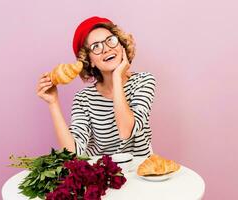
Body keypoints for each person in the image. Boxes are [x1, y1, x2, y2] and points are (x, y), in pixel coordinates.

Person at [36, 16, 156, 157]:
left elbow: (125, 131)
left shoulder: (143, 82)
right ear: (90, 60)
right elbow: (72, 153)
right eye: (96, 47)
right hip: (102, 175)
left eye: (110, 40)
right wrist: (53, 103)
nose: (106, 49)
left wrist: (117, 77)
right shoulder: (83, 99)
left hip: (141, 173)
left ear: (121, 45)